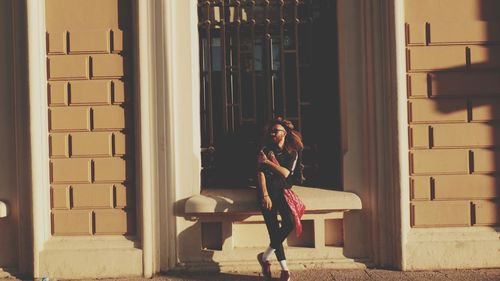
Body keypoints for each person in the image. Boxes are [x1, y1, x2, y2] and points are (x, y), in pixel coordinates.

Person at [256, 117, 304, 281]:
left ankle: (264, 257)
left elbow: (285, 173)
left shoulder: (293, 152)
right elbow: (260, 172)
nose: (272, 133)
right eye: (271, 131)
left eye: (275, 131)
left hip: (283, 192)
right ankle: (285, 270)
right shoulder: (265, 148)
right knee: (274, 230)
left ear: (284, 134)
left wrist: (268, 162)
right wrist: (264, 194)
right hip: (267, 194)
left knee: (289, 223)